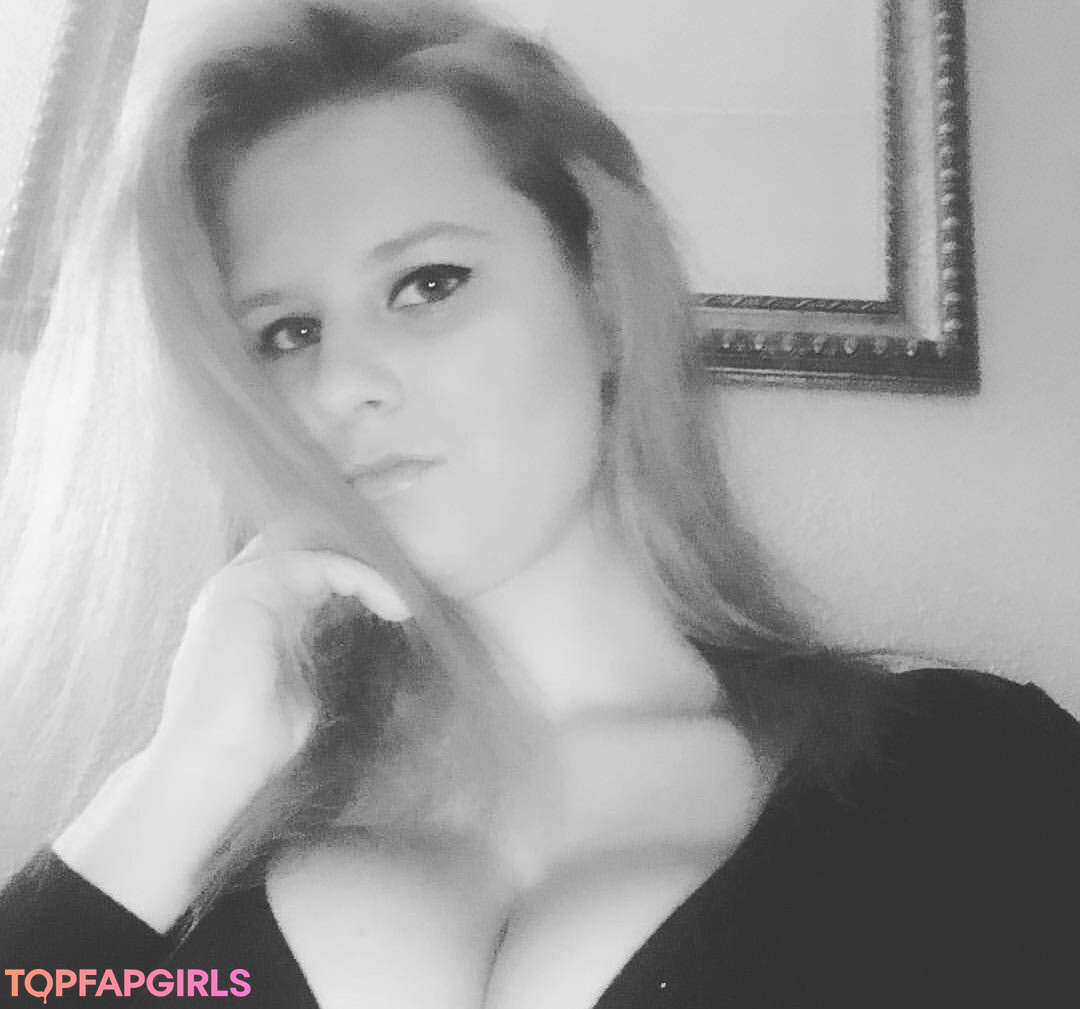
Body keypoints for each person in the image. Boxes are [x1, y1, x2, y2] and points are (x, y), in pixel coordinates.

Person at [0, 1, 1077, 1005]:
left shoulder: (971, 779)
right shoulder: (180, 865)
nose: (337, 385)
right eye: (288, 332)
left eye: (427, 282)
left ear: (600, 294)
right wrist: (183, 775)